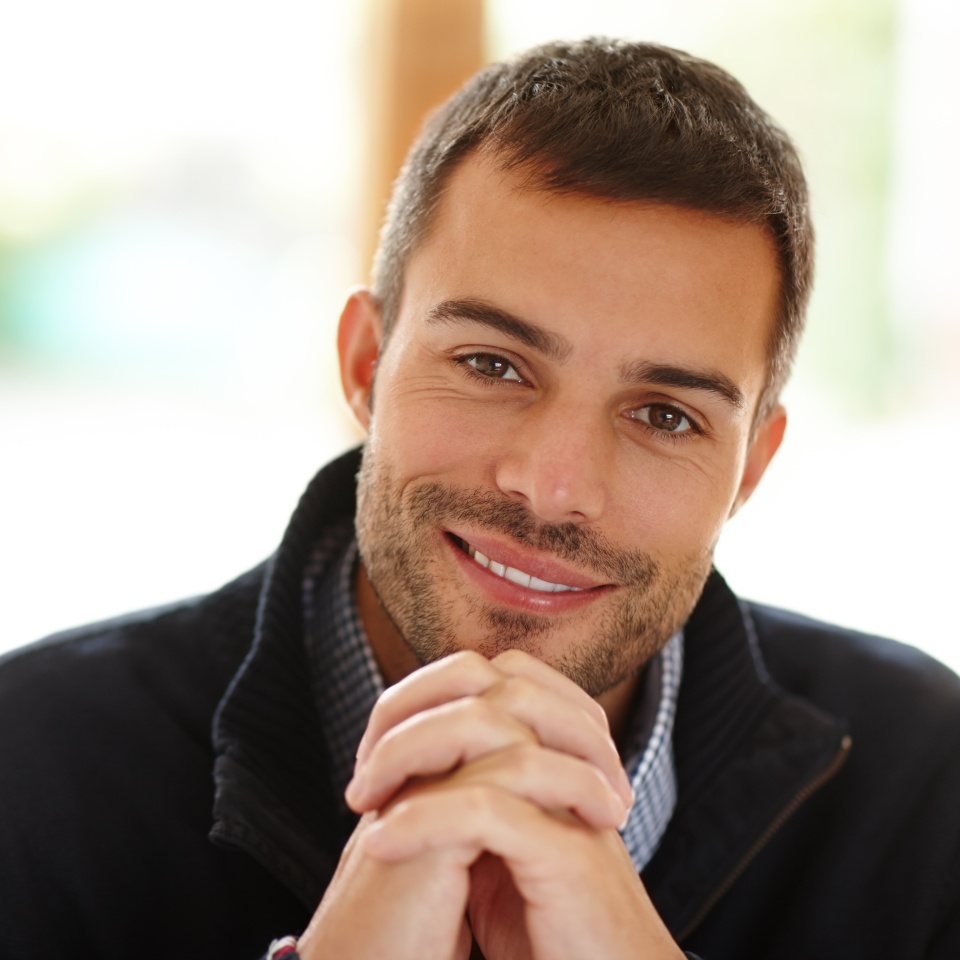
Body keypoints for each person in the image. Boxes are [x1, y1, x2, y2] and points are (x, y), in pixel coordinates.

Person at [1, 37, 959, 960]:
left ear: (750, 467)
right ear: (366, 365)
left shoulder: (930, 786)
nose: (554, 488)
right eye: (493, 363)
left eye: (665, 417)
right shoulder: (30, 773)